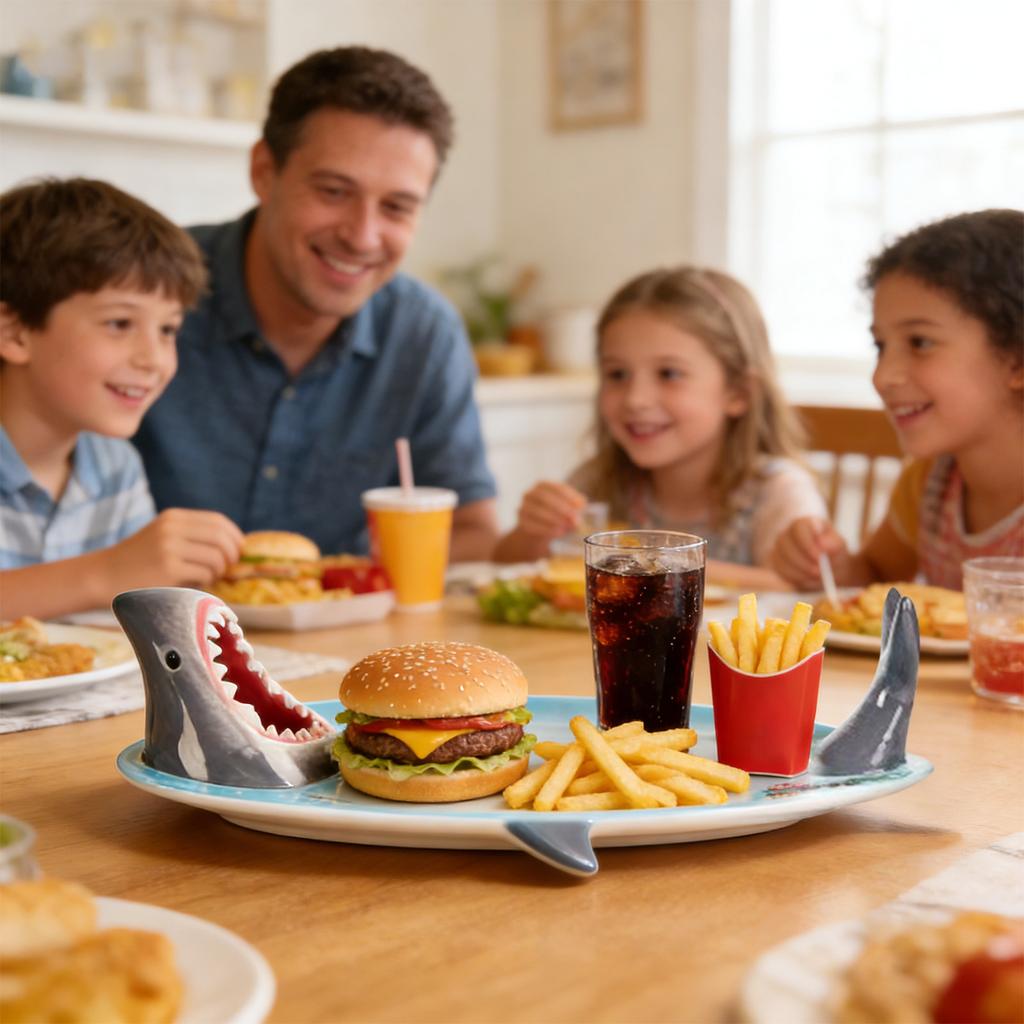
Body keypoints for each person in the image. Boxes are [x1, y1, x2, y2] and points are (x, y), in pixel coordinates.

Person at [133, 46, 499, 561]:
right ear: (264, 171)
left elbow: (471, 532)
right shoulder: (141, 293)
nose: (362, 235)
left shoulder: (423, 332)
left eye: (396, 207)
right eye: (333, 191)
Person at [492, 266, 826, 588]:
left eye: (669, 374)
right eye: (617, 374)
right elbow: (506, 569)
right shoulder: (600, 482)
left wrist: (648, 562)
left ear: (738, 392)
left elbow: (799, 587)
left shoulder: (777, 492)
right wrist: (531, 533)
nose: (636, 399)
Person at [0, 178, 243, 620]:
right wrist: (108, 573)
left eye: (168, 329)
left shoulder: (117, 468)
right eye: (119, 323)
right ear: (14, 332)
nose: (154, 359)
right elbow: (115, 578)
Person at [771, 209, 1024, 591]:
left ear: (1017, 358)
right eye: (880, 345)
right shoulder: (929, 481)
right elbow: (875, 576)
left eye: (920, 342)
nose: (882, 376)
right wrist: (832, 567)